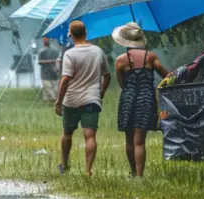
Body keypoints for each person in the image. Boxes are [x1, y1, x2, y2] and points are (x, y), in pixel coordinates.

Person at [55, 20, 111, 176]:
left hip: (71, 101)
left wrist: (59, 101)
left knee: (67, 133)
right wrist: (101, 93)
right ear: (86, 33)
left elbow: (65, 79)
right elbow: (107, 76)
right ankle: (87, 170)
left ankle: (64, 165)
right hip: (91, 100)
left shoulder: (70, 54)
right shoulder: (98, 51)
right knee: (90, 136)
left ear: (70, 35)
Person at [113, 23, 169, 177]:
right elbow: (166, 76)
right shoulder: (150, 57)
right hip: (146, 98)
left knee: (129, 139)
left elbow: (121, 82)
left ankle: (132, 171)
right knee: (140, 140)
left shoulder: (120, 60)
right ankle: (139, 175)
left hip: (128, 99)